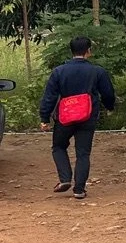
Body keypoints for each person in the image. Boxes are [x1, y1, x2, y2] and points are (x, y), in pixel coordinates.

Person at [39, 36, 115, 200]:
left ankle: (65, 178)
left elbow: (49, 97)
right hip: (87, 117)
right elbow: (108, 94)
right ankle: (79, 189)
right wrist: (109, 107)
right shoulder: (97, 71)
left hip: (65, 117)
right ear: (89, 51)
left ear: (71, 51)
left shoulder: (59, 71)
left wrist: (44, 118)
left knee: (58, 147)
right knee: (83, 153)